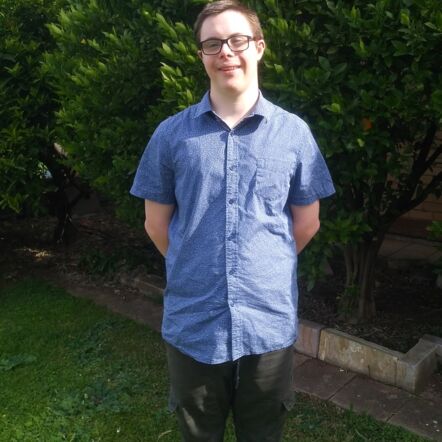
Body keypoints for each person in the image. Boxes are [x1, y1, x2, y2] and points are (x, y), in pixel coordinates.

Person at [130, 1, 335, 440]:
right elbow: (155, 225)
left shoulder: (294, 134)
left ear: (258, 47)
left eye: (237, 40)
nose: (226, 51)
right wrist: (198, 260)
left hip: (267, 322)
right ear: (202, 55)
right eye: (212, 43)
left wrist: (262, 261)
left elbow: (307, 222)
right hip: (194, 323)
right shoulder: (171, 135)